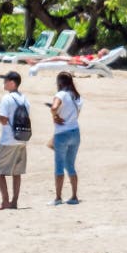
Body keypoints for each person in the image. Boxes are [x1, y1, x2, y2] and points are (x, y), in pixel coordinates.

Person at [0, 70, 30, 210]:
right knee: (16, 172)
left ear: (12, 83)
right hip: (22, 138)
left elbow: (3, 120)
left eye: (6, 80)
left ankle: (5, 202)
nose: (4, 82)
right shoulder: (25, 99)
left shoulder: (6, 99)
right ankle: (14, 202)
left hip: (8, 139)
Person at [49, 72, 83, 205]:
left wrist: (55, 116)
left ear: (60, 82)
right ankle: (74, 197)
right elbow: (76, 115)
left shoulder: (61, 94)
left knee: (59, 166)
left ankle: (58, 198)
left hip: (62, 133)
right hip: (75, 132)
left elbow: (54, 107)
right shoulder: (77, 97)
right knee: (70, 165)